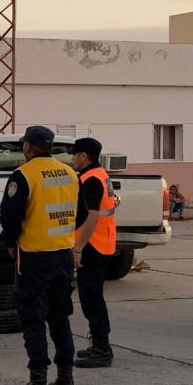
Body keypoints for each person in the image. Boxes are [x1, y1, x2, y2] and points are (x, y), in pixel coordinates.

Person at [1, 126, 79, 385]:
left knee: (33, 318)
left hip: (33, 256)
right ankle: (66, 381)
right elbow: (79, 214)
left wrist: (10, 242)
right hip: (63, 256)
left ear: (30, 146)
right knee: (59, 317)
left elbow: (10, 217)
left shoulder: (24, 175)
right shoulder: (70, 173)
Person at [68, 137, 117, 368]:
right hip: (102, 243)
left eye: (74, 155)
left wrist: (78, 247)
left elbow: (92, 216)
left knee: (91, 298)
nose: (72, 159)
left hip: (93, 246)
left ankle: (102, 350)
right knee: (92, 296)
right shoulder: (100, 174)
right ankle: (98, 345)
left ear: (83, 156)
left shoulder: (90, 180)